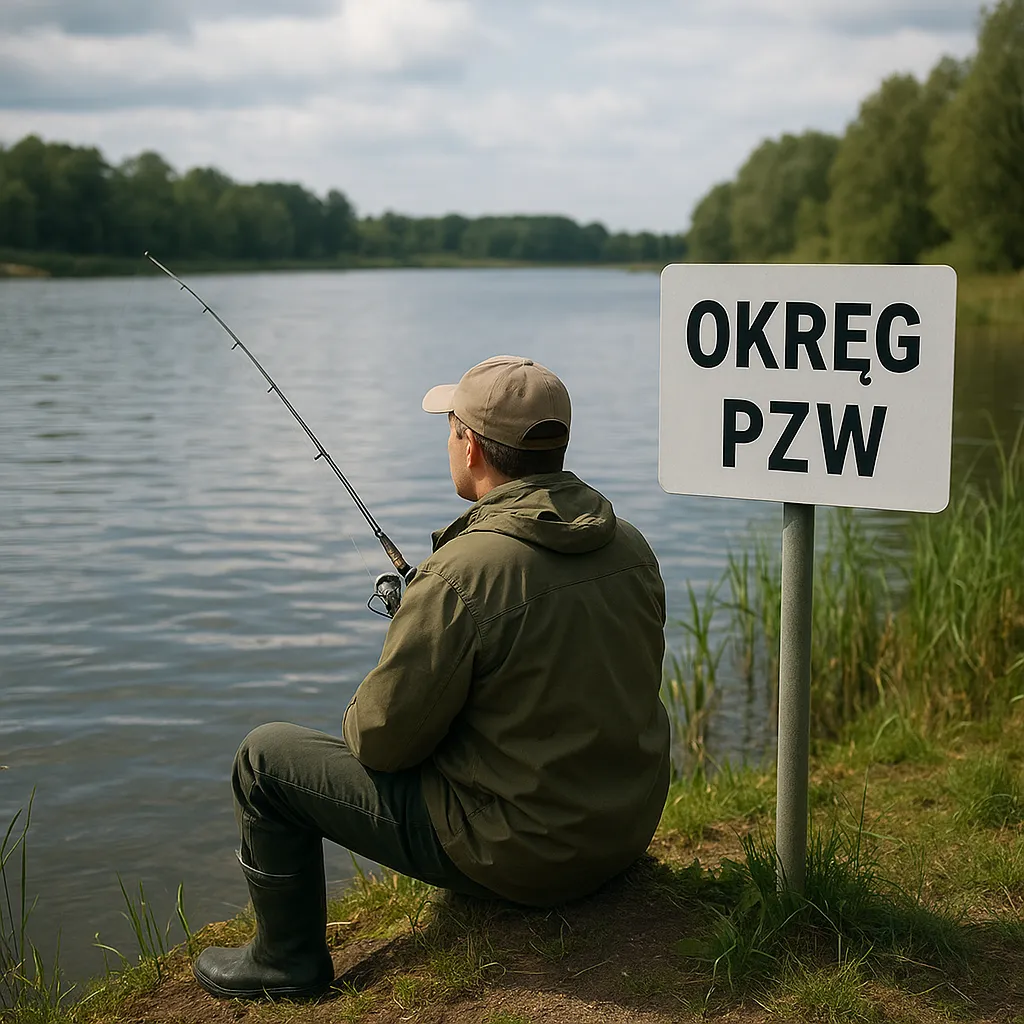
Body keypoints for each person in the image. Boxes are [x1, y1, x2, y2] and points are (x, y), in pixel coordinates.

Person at [192, 355, 670, 1000]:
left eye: (450, 429)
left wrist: (414, 622)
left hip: (530, 859)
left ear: (471, 446)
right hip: (621, 833)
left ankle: (285, 960)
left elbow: (380, 743)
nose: (449, 441)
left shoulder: (460, 575)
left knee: (264, 760)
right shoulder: (632, 547)